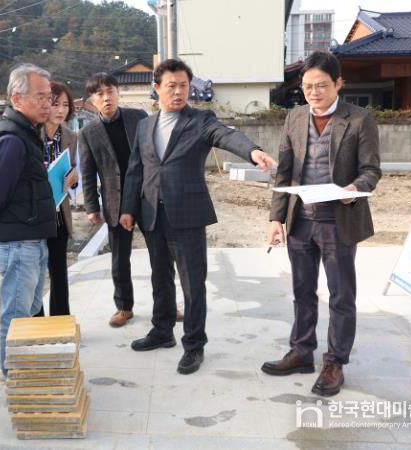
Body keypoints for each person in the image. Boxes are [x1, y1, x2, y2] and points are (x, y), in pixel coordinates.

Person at [119, 59, 275, 375]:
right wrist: (128, 208)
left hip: (187, 214)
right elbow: (136, 168)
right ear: (157, 88)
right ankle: (162, 331)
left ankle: (193, 345)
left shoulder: (201, 120)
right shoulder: (145, 126)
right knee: (160, 277)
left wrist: (252, 151)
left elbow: (226, 135)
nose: (178, 92)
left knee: (193, 283)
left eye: (184, 86)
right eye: (171, 86)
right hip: (152, 214)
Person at [261, 51, 382, 396]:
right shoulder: (295, 118)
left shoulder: (359, 119)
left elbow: (371, 170)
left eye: (322, 85)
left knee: (341, 295)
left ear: (338, 83)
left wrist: (354, 189)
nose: (314, 92)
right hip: (300, 219)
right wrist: (276, 217)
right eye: (308, 86)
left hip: (338, 220)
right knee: (302, 291)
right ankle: (301, 351)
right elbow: (285, 170)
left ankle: (335, 362)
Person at [0, 63, 57, 376]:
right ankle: (14, 374)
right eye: (40, 96)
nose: (47, 103)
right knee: (16, 313)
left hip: (29, 236)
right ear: (17, 99)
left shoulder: (26, 133)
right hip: (18, 241)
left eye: (49, 97)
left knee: (29, 308)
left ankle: (23, 369)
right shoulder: (12, 138)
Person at [79, 73, 149, 327]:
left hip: (146, 195)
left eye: (110, 91)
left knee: (160, 254)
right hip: (114, 201)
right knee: (119, 259)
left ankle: (167, 304)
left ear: (118, 93)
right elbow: (87, 172)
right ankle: (124, 307)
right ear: (91, 100)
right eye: (100, 94)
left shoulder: (138, 117)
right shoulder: (88, 132)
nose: (106, 97)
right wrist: (91, 207)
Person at [40, 81, 79, 316]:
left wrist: (74, 177)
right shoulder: (31, 134)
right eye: (55, 104)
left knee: (59, 273)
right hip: (35, 217)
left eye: (65, 105)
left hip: (59, 216)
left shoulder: (71, 137)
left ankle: (60, 320)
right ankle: (36, 325)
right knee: (35, 276)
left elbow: (71, 171)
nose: (61, 110)